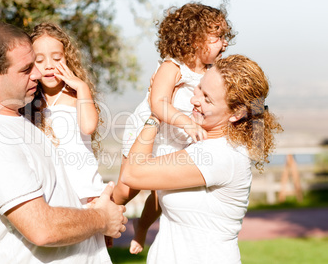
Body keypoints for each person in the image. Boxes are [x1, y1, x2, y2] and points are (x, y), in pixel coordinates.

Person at [0, 21, 127, 263]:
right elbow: (42, 228)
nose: (38, 72)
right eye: (27, 69)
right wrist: (101, 219)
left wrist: (94, 231)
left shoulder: (21, 122)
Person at [121, 54, 283, 263]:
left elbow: (132, 173)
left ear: (236, 114)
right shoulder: (202, 143)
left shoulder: (218, 155)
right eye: (198, 88)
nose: (194, 100)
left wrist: (155, 114)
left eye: (207, 98)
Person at [112, 2, 235, 254]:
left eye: (225, 37)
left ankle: (142, 227)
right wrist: (186, 122)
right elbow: (158, 103)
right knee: (127, 189)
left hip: (178, 138)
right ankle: (106, 216)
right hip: (151, 131)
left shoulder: (212, 72)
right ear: (194, 38)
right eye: (218, 37)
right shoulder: (173, 67)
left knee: (161, 196)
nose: (224, 43)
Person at [24, 22, 106, 207]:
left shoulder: (76, 96)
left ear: (67, 59)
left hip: (84, 193)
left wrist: (82, 87)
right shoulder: (29, 103)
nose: (49, 66)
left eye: (56, 58)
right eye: (39, 60)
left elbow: (88, 126)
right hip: (51, 196)